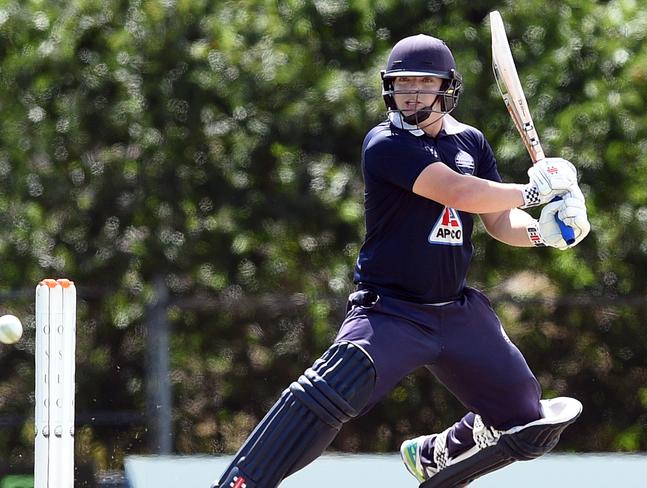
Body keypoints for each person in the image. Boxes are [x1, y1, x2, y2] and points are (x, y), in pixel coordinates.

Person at [213, 34, 590, 488]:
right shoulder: (385, 143)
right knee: (336, 386)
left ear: (446, 88)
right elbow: (460, 193)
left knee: (528, 424)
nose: (411, 92)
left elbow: (497, 221)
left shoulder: (470, 141)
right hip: (391, 310)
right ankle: (240, 483)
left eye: (423, 82)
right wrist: (535, 192)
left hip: (455, 311)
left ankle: (437, 454)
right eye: (402, 82)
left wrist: (545, 233)